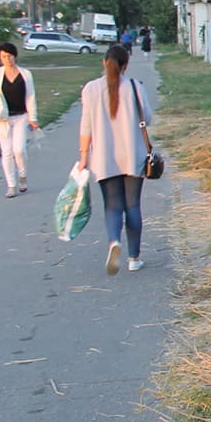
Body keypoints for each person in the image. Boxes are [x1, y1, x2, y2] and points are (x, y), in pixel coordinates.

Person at [78, 44, 152, 275]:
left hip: (104, 158)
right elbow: (147, 119)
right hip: (133, 156)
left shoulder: (90, 89)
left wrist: (83, 157)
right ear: (125, 65)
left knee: (112, 206)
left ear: (104, 62)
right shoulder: (135, 87)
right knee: (132, 206)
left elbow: (86, 126)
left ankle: (113, 242)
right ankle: (134, 258)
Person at [0, 41, 40, 198]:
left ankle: (22, 176)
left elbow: (30, 96)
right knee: (7, 152)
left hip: (20, 116)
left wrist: (33, 118)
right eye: (4, 57)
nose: (7, 59)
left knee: (19, 149)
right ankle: (11, 185)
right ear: (0, 58)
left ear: (15, 56)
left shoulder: (25, 74)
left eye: (10, 56)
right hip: (2, 118)